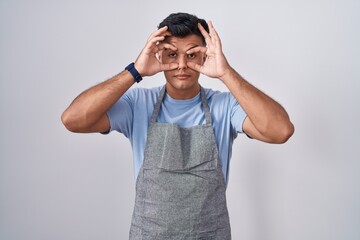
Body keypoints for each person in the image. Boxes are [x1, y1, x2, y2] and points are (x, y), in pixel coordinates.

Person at [62, 12, 294, 240]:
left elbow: (280, 131)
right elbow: (72, 119)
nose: (182, 65)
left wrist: (226, 73)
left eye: (192, 55)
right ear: (159, 56)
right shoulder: (137, 105)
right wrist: (135, 71)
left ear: (205, 57)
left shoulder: (225, 107)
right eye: (172, 54)